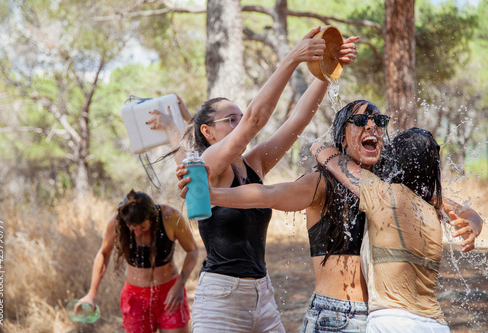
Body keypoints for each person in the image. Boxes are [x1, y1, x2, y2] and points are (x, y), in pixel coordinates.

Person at [179, 101, 482, 332]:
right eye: (361, 120)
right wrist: (214, 196)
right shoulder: (323, 182)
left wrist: (471, 223)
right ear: (344, 136)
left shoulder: (390, 187)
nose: (372, 126)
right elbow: (269, 194)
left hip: (379, 318)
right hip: (337, 316)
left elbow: (460, 209)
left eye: (379, 121)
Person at [173, 27, 359, 333]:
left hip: (262, 293)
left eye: (238, 116)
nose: (239, 122)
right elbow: (254, 120)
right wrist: (291, 59)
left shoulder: (254, 162)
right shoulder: (209, 166)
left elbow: (299, 119)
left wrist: (329, 68)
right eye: (229, 120)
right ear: (207, 132)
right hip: (221, 298)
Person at [311, 128, 482, 332]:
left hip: (391, 322)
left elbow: (322, 152)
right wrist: (472, 227)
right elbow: (472, 214)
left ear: (393, 160)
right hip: (436, 324)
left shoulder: (380, 193)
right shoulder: (432, 205)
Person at [76, 190, 199, 333]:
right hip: (135, 298)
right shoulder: (117, 222)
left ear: (152, 216)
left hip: (169, 293)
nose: (137, 232)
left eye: (142, 227)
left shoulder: (169, 216)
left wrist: (179, 285)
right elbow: (103, 254)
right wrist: (92, 293)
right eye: (133, 227)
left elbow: (192, 251)